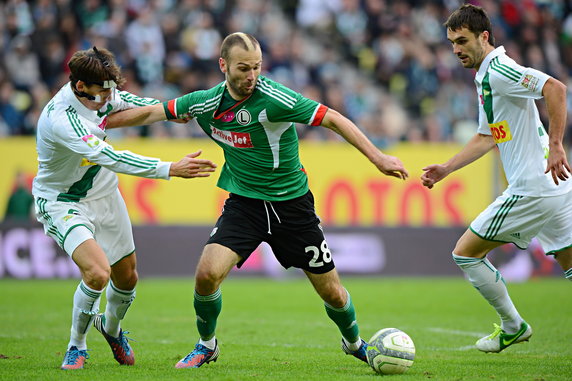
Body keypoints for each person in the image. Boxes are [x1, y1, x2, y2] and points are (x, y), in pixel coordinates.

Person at [107, 32, 409, 368]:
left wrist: (379, 158)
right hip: (244, 204)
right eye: (243, 68)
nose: (252, 76)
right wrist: (98, 124)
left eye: (257, 67)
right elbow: (152, 113)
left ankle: (353, 343)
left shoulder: (275, 98)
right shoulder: (205, 103)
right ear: (223, 65)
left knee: (333, 293)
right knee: (207, 274)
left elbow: (334, 119)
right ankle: (207, 344)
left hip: (291, 206)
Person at [32, 47, 217, 370]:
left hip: (102, 191)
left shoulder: (101, 93)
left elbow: (132, 103)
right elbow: (111, 157)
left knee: (127, 277)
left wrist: (171, 110)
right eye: (103, 89)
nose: (110, 94)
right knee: (97, 272)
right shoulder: (62, 119)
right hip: (63, 201)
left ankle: (111, 328)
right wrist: (169, 168)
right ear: (80, 87)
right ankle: (76, 346)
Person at [421, 4, 572, 353]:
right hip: (555, 185)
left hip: (532, 187)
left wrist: (556, 143)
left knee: (465, 254)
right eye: (451, 43)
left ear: (484, 36)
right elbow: (488, 136)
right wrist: (446, 168)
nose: (456, 49)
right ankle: (513, 325)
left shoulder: (501, 70)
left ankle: (513, 326)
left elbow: (555, 88)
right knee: (569, 261)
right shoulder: (486, 76)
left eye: (462, 41)